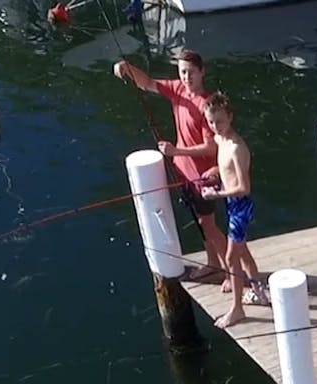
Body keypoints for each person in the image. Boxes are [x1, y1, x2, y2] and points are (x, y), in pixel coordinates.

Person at [112, 49, 225, 281]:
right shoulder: (178, 89)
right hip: (184, 174)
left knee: (209, 225)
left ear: (202, 72)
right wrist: (127, 68)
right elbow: (147, 83)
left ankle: (232, 273)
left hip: (204, 176)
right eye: (183, 72)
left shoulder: (208, 105)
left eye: (191, 72)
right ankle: (213, 263)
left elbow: (211, 148)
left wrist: (176, 151)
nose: (186, 77)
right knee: (201, 222)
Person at [198, 92, 267, 327]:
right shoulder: (220, 140)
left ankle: (237, 309)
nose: (215, 126)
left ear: (230, 117)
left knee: (231, 257)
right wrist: (216, 171)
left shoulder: (237, 148)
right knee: (242, 251)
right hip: (231, 204)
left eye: (219, 121)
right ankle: (258, 291)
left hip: (241, 207)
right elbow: (226, 167)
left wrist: (217, 194)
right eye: (210, 121)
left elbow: (244, 187)